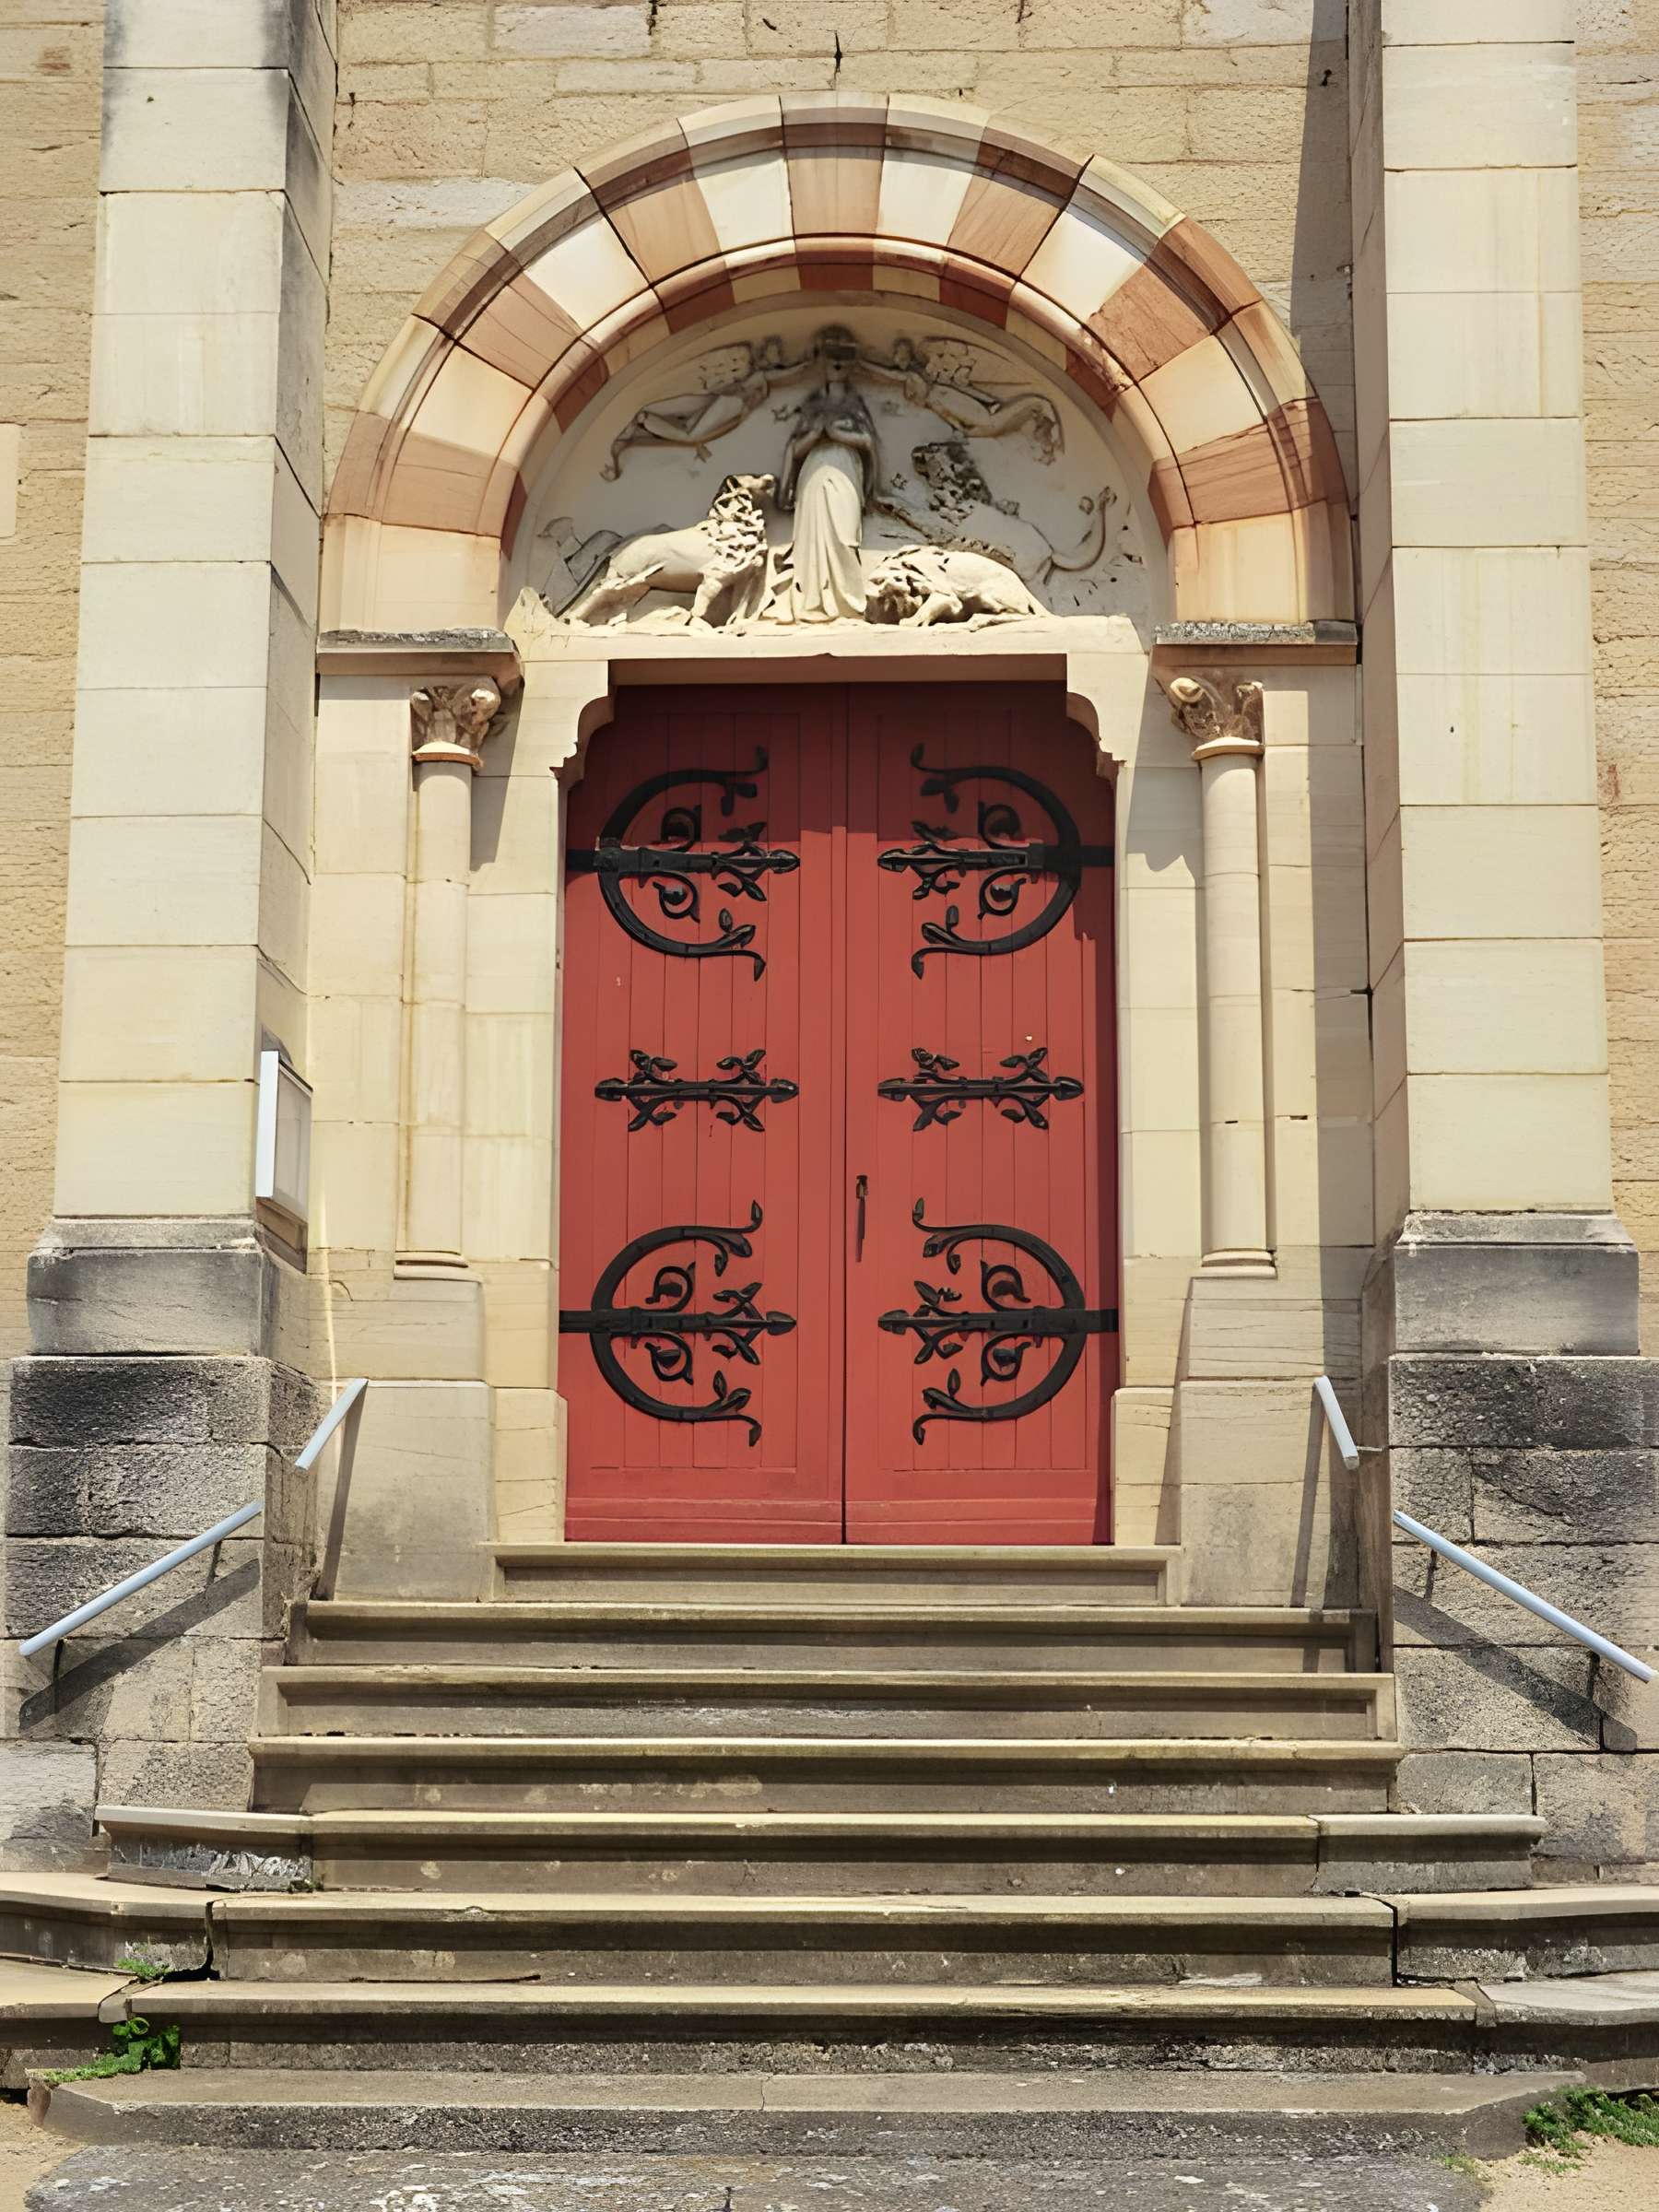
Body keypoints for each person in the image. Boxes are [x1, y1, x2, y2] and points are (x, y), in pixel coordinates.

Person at [775, 331, 880, 621]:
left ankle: (847, 604)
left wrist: (839, 434)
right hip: (814, 469)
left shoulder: (854, 404)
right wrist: (814, 434)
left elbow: (869, 443)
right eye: (831, 360)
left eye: (842, 360)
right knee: (813, 535)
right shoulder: (813, 404)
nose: (836, 366)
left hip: (845, 467)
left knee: (844, 534)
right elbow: (794, 448)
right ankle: (812, 601)